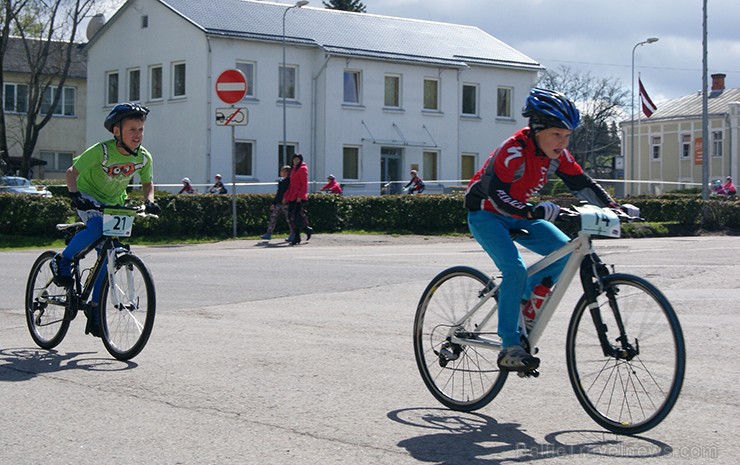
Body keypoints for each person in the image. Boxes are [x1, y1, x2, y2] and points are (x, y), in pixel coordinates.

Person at [464, 88, 621, 372]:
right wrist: (532, 210)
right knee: (514, 269)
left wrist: (615, 207)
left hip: (519, 213)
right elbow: (497, 194)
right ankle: (509, 346)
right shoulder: (512, 150)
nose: (563, 142)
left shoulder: (557, 155)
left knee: (565, 253)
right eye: (557, 134)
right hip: (486, 215)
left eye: (568, 135)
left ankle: (519, 299)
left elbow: (581, 184)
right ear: (537, 130)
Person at [50, 103, 161, 337]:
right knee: (98, 227)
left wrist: (149, 200)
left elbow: (147, 182)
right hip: (88, 196)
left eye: (141, 129)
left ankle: (95, 307)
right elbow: (71, 172)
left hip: (114, 202)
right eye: (132, 129)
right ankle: (63, 260)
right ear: (117, 131)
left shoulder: (144, 156)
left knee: (112, 252)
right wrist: (76, 197)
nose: (138, 135)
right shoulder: (102, 151)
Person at [283, 153, 313, 245]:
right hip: (292, 195)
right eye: (294, 160)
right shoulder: (294, 169)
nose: (295, 161)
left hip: (299, 196)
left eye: (297, 160)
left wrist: (300, 196)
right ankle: (307, 229)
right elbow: (291, 184)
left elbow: (304, 184)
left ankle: (297, 237)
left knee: (295, 217)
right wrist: (286, 196)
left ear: (300, 160)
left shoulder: (303, 169)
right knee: (291, 217)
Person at [260, 166, 293, 240]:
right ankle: (268, 233)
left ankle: (293, 234)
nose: (281, 172)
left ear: (287, 172)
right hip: (279, 203)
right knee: (273, 217)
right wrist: (274, 203)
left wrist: (286, 199)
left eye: (283, 171)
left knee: (289, 219)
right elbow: (278, 193)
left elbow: (289, 192)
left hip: (286, 203)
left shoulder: (290, 181)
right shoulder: (281, 182)